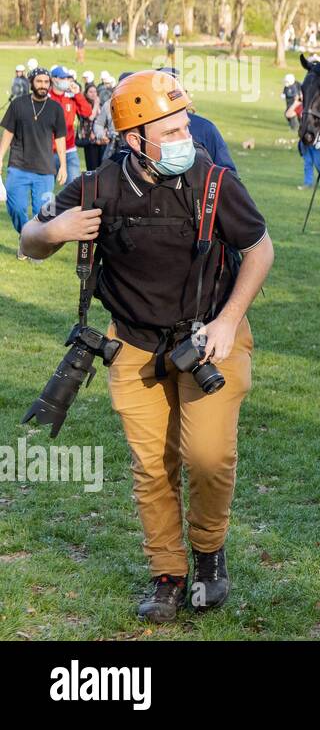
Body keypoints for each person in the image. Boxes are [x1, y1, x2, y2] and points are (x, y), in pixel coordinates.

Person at [20, 69, 274, 622]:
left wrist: (231, 321)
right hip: (132, 344)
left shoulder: (211, 180)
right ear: (133, 139)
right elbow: (30, 242)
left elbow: (259, 248)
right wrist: (52, 232)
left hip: (210, 336)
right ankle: (168, 572)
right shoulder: (95, 186)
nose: (187, 138)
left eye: (186, 125)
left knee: (208, 456)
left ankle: (208, 552)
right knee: (152, 466)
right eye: (173, 130)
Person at [2, 67, 67, 256]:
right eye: (39, 81)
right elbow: (8, 133)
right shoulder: (18, 104)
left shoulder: (55, 108)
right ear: (31, 83)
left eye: (46, 82)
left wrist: (62, 165)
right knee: (16, 207)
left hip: (45, 169)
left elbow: (60, 138)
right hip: (18, 166)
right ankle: (26, 238)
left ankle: (32, 249)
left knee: (44, 213)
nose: (43, 86)